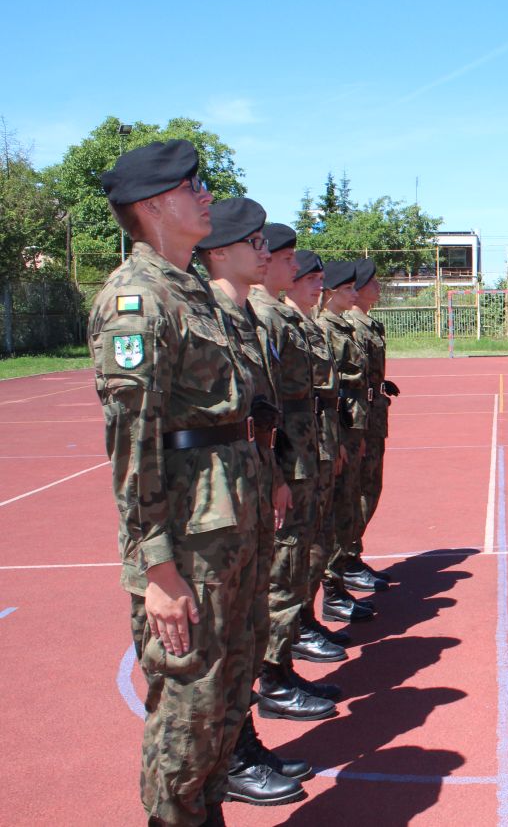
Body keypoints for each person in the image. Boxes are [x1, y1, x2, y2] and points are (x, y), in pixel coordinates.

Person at [88, 140, 264, 825]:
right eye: (194, 186)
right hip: (186, 544)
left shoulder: (194, 292)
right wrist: (156, 569)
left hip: (229, 527)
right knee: (188, 712)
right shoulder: (137, 301)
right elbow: (132, 445)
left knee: (227, 696)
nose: (205, 196)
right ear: (156, 205)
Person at [194, 199, 330, 807]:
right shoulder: (205, 313)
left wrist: (275, 471)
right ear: (222, 251)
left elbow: (263, 409)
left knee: (244, 632)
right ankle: (226, 759)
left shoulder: (244, 315)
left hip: (253, 481)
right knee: (219, 646)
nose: (270, 254)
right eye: (258, 244)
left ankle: (239, 745)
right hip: (209, 503)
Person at [283, 249, 355, 657]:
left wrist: (334, 440)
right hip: (295, 451)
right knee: (295, 549)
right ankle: (290, 638)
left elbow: (326, 393)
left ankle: (305, 620)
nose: (319, 286)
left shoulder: (307, 325)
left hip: (318, 442)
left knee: (317, 540)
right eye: (311, 279)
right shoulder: (277, 323)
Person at [316, 261, 376, 623]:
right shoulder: (324, 328)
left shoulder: (341, 326)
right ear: (331, 292)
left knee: (353, 501)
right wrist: (339, 435)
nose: (355, 293)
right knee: (338, 510)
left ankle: (341, 578)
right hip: (338, 427)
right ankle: (334, 587)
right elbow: (331, 386)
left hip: (352, 424)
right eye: (348, 288)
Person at [343, 258, 399, 591]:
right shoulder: (350, 325)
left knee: (370, 488)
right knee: (358, 491)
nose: (379, 287)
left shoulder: (370, 324)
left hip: (373, 413)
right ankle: (346, 560)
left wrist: (379, 383)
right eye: (373, 282)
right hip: (359, 418)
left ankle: (352, 556)